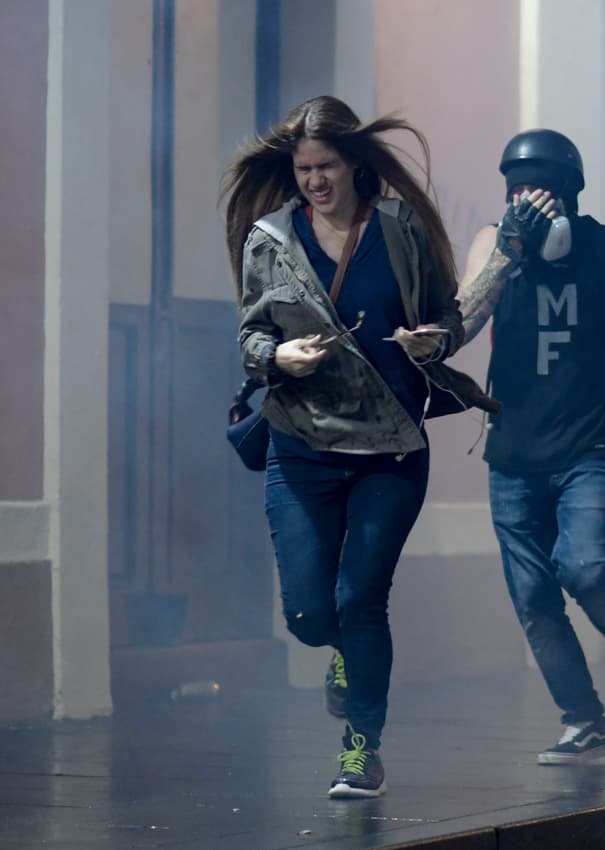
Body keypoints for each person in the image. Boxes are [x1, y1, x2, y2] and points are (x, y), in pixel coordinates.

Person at [221, 95, 494, 797]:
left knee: (362, 599)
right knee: (313, 615)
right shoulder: (270, 239)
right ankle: (339, 653)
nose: (314, 179)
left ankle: (360, 748)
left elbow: (448, 313)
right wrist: (279, 357)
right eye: (304, 168)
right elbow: (250, 336)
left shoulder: (398, 228)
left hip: (392, 446)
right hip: (302, 446)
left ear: (354, 165)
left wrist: (432, 339)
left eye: (326, 166)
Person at [456, 129, 605, 764]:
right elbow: (462, 320)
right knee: (534, 600)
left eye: (540, 187)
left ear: (570, 192)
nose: (527, 198)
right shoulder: (493, 243)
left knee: (584, 567)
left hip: (588, 444)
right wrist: (506, 253)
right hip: (513, 451)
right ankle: (581, 719)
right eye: (517, 187)